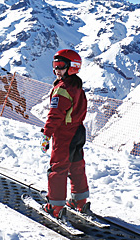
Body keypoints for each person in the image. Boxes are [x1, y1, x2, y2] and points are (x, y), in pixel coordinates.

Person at [39, 49, 89, 218]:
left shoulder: (62, 90)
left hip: (65, 135)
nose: (56, 70)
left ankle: (55, 206)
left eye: (61, 65)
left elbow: (55, 115)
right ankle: (79, 200)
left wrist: (46, 135)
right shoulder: (77, 86)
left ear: (72, 67)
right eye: (55, 65)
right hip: (78, 132)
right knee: (76, 166)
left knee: (58, 168)